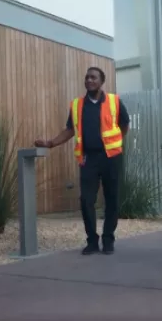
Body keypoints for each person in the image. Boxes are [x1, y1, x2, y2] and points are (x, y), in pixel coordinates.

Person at [35, 67, 130, 255]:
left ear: (101, 81)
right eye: (87, 77)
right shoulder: (77, 105)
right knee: (86, 200)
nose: (89, 80)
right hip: (88, 158)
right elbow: (70, 130)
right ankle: (92, 241)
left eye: (93, 77)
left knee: (112, 200)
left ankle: (108, 239)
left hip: (111, 158)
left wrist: (115, 144)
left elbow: (124, 125)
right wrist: (50, 143)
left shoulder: (114, 102)